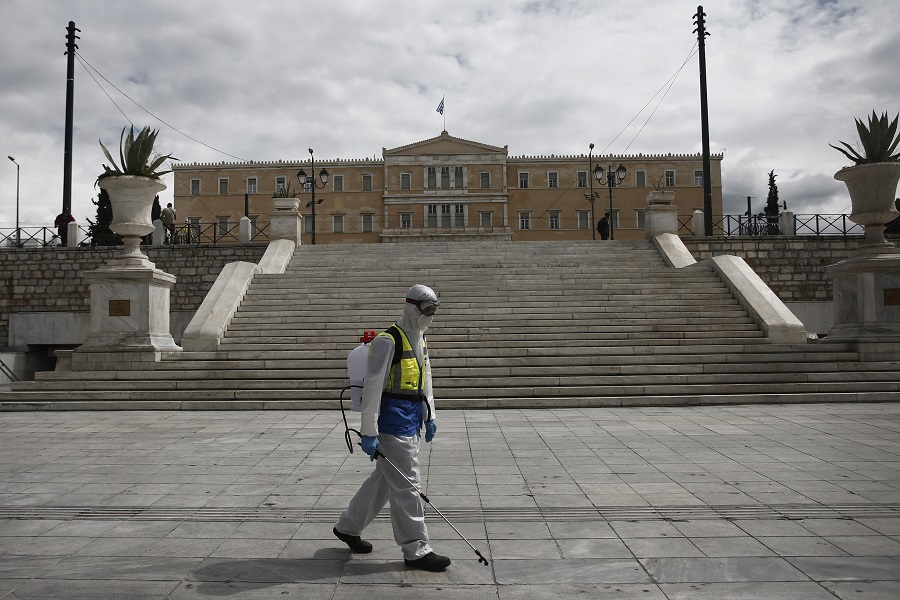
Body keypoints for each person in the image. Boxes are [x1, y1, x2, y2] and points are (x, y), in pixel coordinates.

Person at [333, 284, 450, 572]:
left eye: (434, 311)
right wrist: (369, 433)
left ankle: (348, 526)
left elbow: (426, 381)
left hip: (410, 419)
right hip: (391, 422)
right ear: (412, 307)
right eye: (427, 311)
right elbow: (372, 389)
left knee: (386, 480)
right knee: (409, 484)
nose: (430, 317)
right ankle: (416, 549)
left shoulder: (420, 340)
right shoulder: (388, 341)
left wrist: (430, 415)